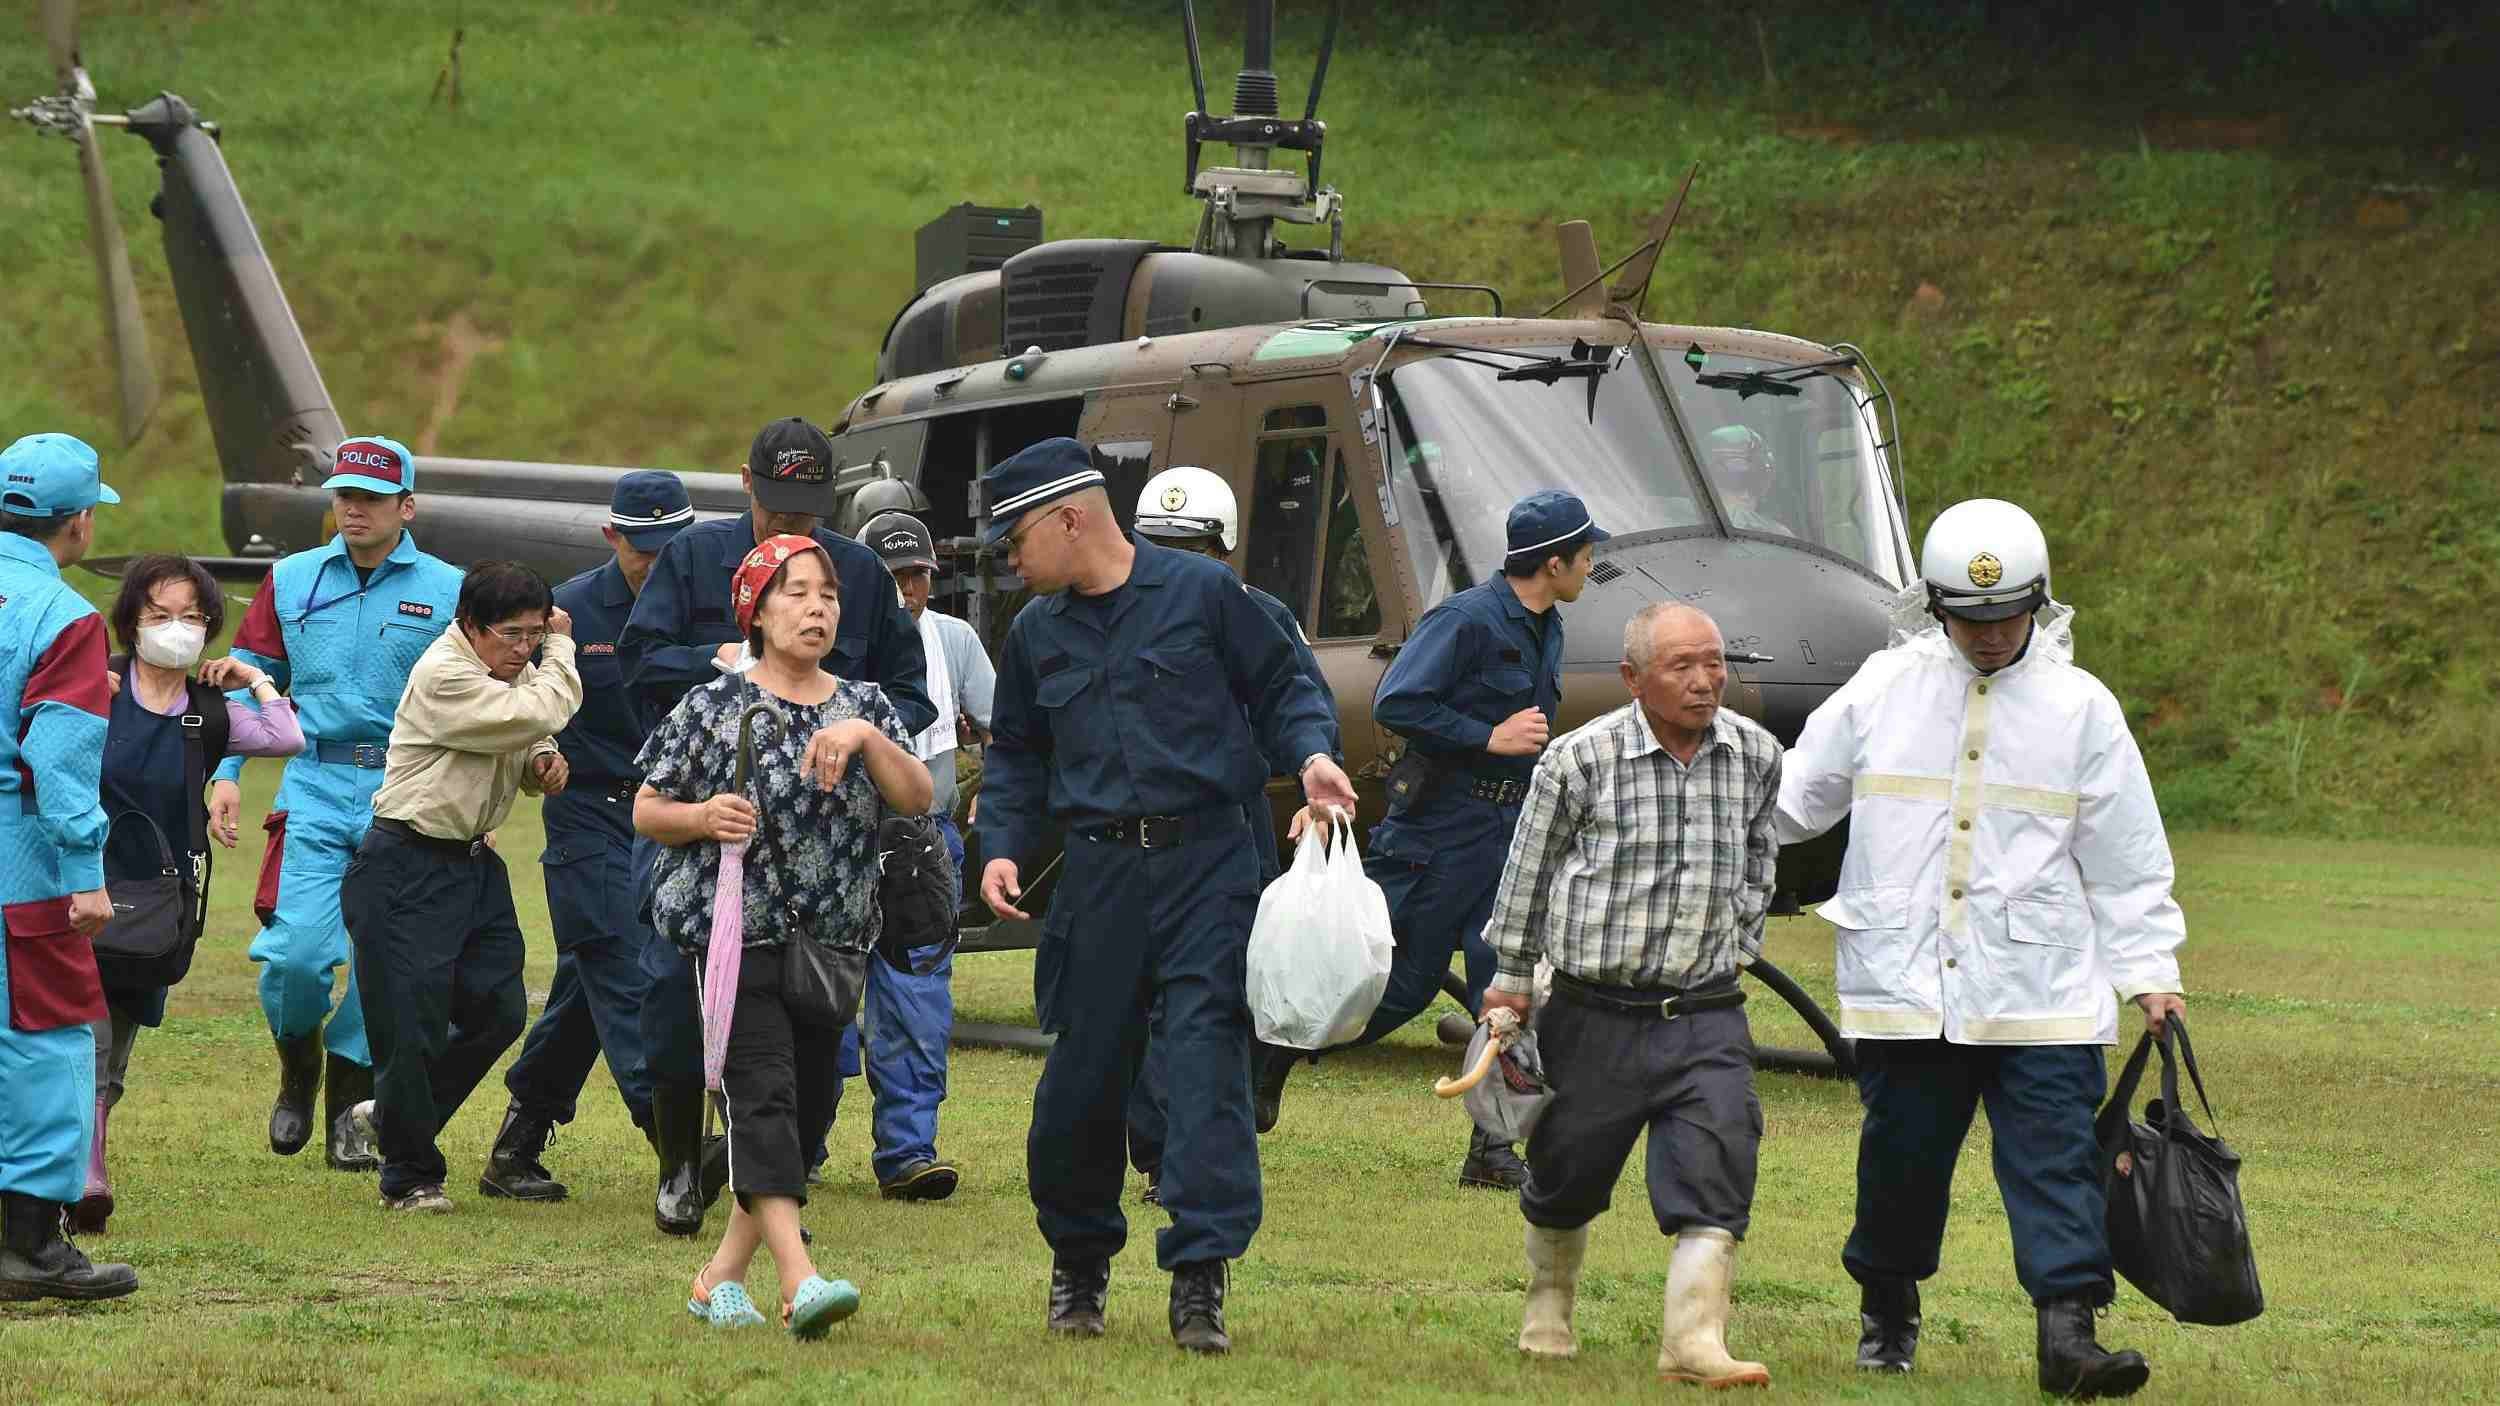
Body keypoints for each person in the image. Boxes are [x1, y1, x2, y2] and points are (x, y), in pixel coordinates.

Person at [1775, 497, 2186, 1399]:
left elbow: (2127, 854)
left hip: (2041, 986)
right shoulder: (1883, 687)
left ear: (2039, 604)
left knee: (2057, 1163)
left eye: (2006, 618)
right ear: (1935, 609)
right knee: (1901, 1166)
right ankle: (1888, 1312)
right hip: (1905, 981)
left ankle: (2068, 1337)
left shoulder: (2084, 709)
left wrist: (2152, 969)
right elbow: (1796, 797)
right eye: (1970, 619)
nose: (1990, 636)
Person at [974, 438, 1353, 1354]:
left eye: (1016, 538)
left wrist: (1311, 758)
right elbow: (1018, 754)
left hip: (1209, 864)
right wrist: (1000, 848)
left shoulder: (1206, 596)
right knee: (1083, 1078)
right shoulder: (1035, 633)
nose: (1009, 562)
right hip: (1100, 877)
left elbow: (1283, 688)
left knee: (1204, 1071)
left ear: (1071, 518)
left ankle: (1199, 1280)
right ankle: (1080, 1266)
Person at [618, 416, 933, 1236]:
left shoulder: (857, 572)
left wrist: (850, 723)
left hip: (828, 865)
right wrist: (720, 664)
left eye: (810, 505)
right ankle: (682, 1160)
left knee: (815, 1042)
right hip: (705, 829)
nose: (793, 526)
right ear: (747, 484)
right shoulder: (692, 558)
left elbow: (913, 692)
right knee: (671, 993)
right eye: (778, 502)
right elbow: (638, 662)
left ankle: (777, 1171)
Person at [1256, 490, 1607, 1192]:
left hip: (1508, 833)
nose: (1592, 565)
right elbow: (1398, 700)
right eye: (1585, 553)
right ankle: (1266, 1063)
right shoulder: (1466, 620)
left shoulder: (1550, 625)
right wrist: (1488, 736)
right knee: (1398, 983)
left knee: (1507, 989)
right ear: (1553, 561)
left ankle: (1493, 1148)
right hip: (1438, 835)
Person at [1479, 602, 1782, 1387]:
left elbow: (1759, 859)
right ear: (1632, 678)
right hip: (1592, 1011)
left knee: (1721, 1162)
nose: (1705, 681)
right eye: (1682, 666)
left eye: (1714, 662)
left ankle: (1693, 1341)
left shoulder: (1754, 754)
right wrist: (1511, 978)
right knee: (1566, 1174)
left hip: (1706, 1012)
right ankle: (1549, 1304)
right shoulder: (1581, 759)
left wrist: (1740, 944)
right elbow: (1528, 875)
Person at [211, 434, 464, 1172]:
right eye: (344, 495)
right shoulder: (290, 580)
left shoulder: (450, 590)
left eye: (372, 499)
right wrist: (227, 770)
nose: (353, 509)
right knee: (295, 957)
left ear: (406, 507)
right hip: (314, 783)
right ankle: (299, 1065)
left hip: (408, 787)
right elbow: (246, 676)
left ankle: (348, 1113)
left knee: (387, 962)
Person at [1124, 466, 1339, 1204]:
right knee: (1137, 995)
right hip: (1123, 833)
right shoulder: (1101, 613)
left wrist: (1314, 779)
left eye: (1193, 548)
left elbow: (1300, 702)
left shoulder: (1260, 615)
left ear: (1226, 548)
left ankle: (1188, 1150)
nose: (1176, 563)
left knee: (1213, 992)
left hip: (1225, 827)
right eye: (1159, 544)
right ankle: (1161, 1149)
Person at [338, 561, 580, 1212]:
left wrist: (539, 761)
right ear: (468, 625)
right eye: (512, 635)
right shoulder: (443, 672)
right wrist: (561, 648)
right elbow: (543, 705)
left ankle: (390, 1118)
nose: (525, 647)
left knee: (497, 1011)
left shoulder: (509, 667)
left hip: (474, 863)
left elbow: (526, 730)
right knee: (409, 1029)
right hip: (404, 864)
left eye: (536, 633)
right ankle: (410, 1178)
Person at [81, 555, 306, 1233]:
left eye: (191, 617)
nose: (175, 629)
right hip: (82, 883)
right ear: (129, 623)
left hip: (160, 898)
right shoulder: (98, 689)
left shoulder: (209, 709)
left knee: (119, 1035)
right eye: (158, 616)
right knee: (83, 1036)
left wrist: (255, 677)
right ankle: (84, 1174)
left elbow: (286, 736)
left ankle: (82, 1157)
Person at [492, 472, 692, 1204]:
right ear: (613, 538)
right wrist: (539, 751)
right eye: (643, 549)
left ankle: (515, 1144)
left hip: (674, 818)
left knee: (586, 988)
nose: (658, 563)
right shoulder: (568, 611)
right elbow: (520, 703)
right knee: (622, 964)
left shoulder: (710, 610)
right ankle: (677, 1144)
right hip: (588, 812)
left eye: (672, 547)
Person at [0, 432, 137, 1301]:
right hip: (23, 861)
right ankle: (30, 1251)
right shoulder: (62, 617)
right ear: (80, 523)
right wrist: (86, 866)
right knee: (47, 1044)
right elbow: (60, 758)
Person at [852, 509, 994, 1201]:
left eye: (919, 577)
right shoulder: (830, 633)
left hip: (922, 840)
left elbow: (1005, 725)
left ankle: (909, 1151)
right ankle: (792, 1147)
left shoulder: (954, 640)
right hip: (835, 839)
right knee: (812, 996)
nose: (909, 591)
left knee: (917, 999)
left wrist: (993, 790)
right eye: (895, 577)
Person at [1703, 425, 1795, 537]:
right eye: (1734, 483)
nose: (1746, 495)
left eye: (1755, 485)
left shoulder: (1778, 537)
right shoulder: (1679, 523)